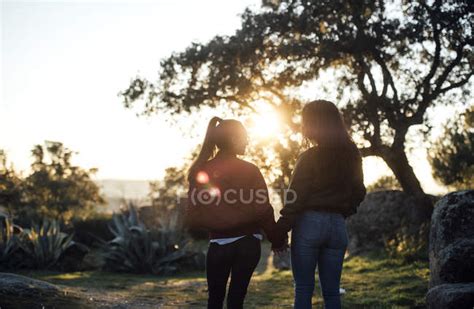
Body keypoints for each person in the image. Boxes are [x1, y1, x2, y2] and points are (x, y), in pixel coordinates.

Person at [275, 100, 366, 309]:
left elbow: (295, 198)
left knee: (303, 289)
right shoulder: (352, 155)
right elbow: (360, 191)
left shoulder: (309, 157)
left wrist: (279, 232)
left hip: (309, 224)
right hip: (337, 226)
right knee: (332, 292)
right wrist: (344, 211)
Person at [187, 117, 286, 309]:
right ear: (233, 139)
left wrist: (219, 222)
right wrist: (277, 239)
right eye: (245, 137)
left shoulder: (201, 170)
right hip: (248, 245)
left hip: (218, 245)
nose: (248, 141)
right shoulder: (250, 170)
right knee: (236, 300)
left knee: (214, 301)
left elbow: (192, 215)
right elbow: (263, 209)